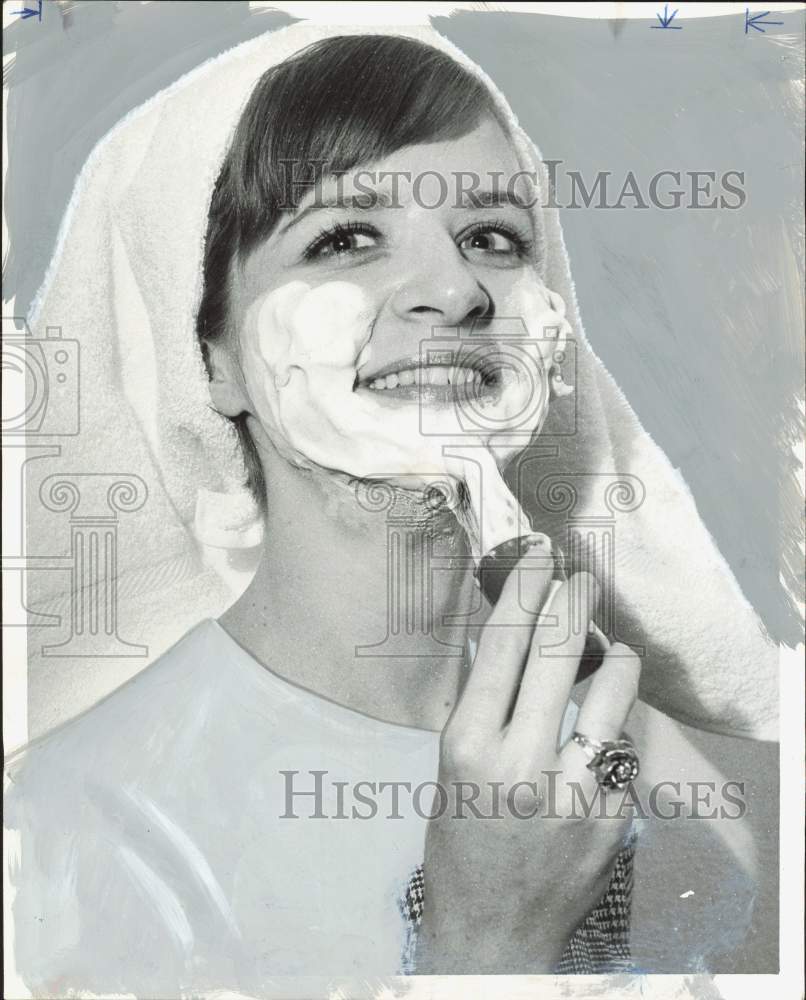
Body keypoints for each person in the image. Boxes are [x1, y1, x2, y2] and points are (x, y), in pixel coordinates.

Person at [6, 25, 777, 996]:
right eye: (345, 238)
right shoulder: (75, 827)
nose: (456, 291)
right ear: (211, 361)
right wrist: (484, 946)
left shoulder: (670, 771)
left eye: (491, 236)